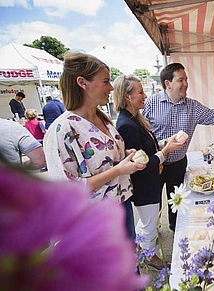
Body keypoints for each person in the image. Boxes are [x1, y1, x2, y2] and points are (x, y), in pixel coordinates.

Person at [43, 51, 146, 240]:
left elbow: (104, 161)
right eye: (106, 81)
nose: (112, 87)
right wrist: (118, 170)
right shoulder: (62, 129)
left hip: (121, 203)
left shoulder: (103, 119)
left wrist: (124, 157)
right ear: (83, 83)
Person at [142, 62, 214, 231]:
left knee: (177, 204)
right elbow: (142, 130)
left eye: (186, 79)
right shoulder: (151, 103)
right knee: (153, 204)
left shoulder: (193, 106)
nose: (186, 84)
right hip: (155, 164)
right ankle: (153, 233)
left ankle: (176, 230)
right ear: (168, 83)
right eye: (181, 80)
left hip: (178, 164)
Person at [113, 74, 185, 267]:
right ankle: (150, 256)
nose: (145, 95)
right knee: (150, 222)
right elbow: (141, 164)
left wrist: (165, 142)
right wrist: (165, 151)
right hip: (144, 184)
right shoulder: (126, 125)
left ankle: (142, 245)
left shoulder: (134, 118)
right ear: (127, 96)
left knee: (148, 219)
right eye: (140, 92)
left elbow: (146, 149)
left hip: (149, 182)